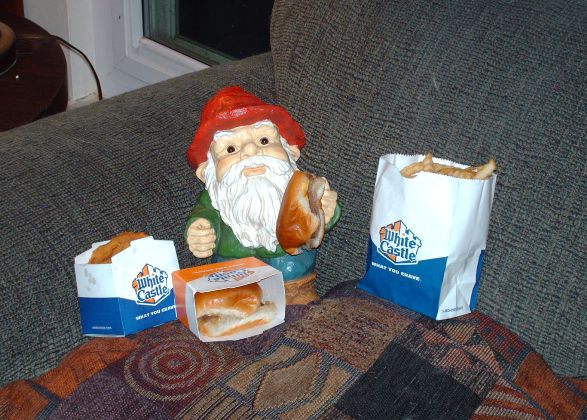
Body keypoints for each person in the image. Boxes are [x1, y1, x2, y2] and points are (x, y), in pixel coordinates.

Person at [185, 86, 340, 303]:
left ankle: (297, 298)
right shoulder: (215, 197)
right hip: (235, 271)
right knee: (233, 292)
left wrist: (327, 211)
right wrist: (199, 231)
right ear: (206, 172)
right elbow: (203, 215)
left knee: (295, 285)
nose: (251, 151)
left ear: (291, 152)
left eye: (264, 141)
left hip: (291, 270)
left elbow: (318, 212)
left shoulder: (299, 185)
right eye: (230, 149)